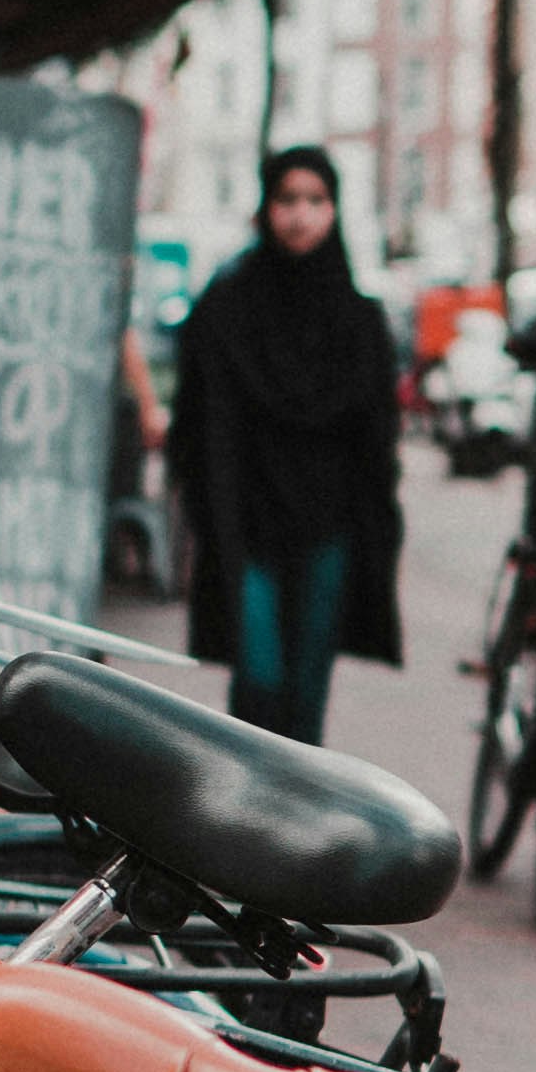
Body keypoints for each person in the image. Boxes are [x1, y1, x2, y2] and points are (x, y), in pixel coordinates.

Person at [166, 147, 406, 746]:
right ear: (265, 207)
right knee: (259, 683)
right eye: (287, 200)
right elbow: (200, 421)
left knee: (305, 692)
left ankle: (292, 833)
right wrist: (205, 514)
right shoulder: (227, 307)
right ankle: (244, 821)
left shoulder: (359, 320)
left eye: (316, 201)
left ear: (335, 211)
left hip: (331, 527)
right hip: (245, 522)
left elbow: (377, 439)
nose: (300, 216)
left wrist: (377, 527)